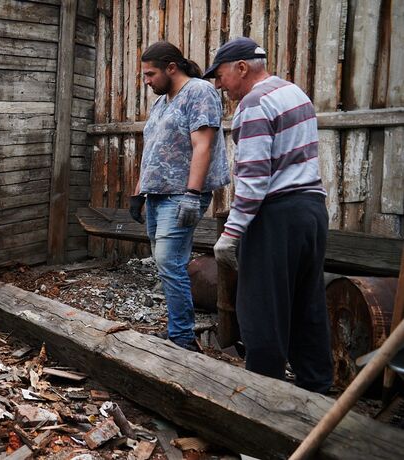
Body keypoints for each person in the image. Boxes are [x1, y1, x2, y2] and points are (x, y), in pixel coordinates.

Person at [204, 37, 333, 393]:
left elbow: (254, 179)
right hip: (311, 210)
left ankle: (265, 402)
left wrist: (230, 234)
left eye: (221, 75)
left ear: (242, 67)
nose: (219, 84)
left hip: (276, 215)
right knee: (307, 305)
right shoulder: (295, 93)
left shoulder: (254, 104)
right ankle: (317, 391)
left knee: (261, 312)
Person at [131, 41, 231, 352]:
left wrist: (192, 194)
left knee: (169, 261)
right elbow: (152, 151)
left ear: (171, 68)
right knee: (166, 263)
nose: (147, 81)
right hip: (157, 195)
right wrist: (138, 192)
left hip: (181, 194)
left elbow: (203, 145)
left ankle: (183, 338)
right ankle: (179, 330)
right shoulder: (162, 103)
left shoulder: (199, 92)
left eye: (150, 74)